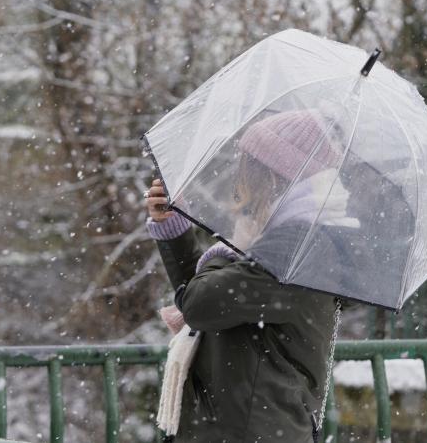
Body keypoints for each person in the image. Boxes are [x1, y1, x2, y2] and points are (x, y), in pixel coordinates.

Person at [145, 110, 354, 442]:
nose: (239, 178)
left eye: (248, 165)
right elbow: (213, 304)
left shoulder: (296, 250)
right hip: (248, 427)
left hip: (250, 431)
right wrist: (174, 230)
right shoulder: (281, 242)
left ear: (273, 177)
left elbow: (201, 304)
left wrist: (220, 257)